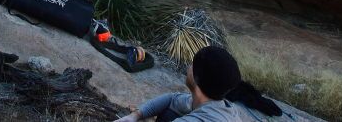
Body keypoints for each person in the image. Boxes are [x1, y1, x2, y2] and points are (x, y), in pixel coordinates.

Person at [113, 46, 282, 122]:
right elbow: (172, 99)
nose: (188, 67)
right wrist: (135, 116)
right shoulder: (220, 105)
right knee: (169, 112)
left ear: (197, 79)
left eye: (192, 65)